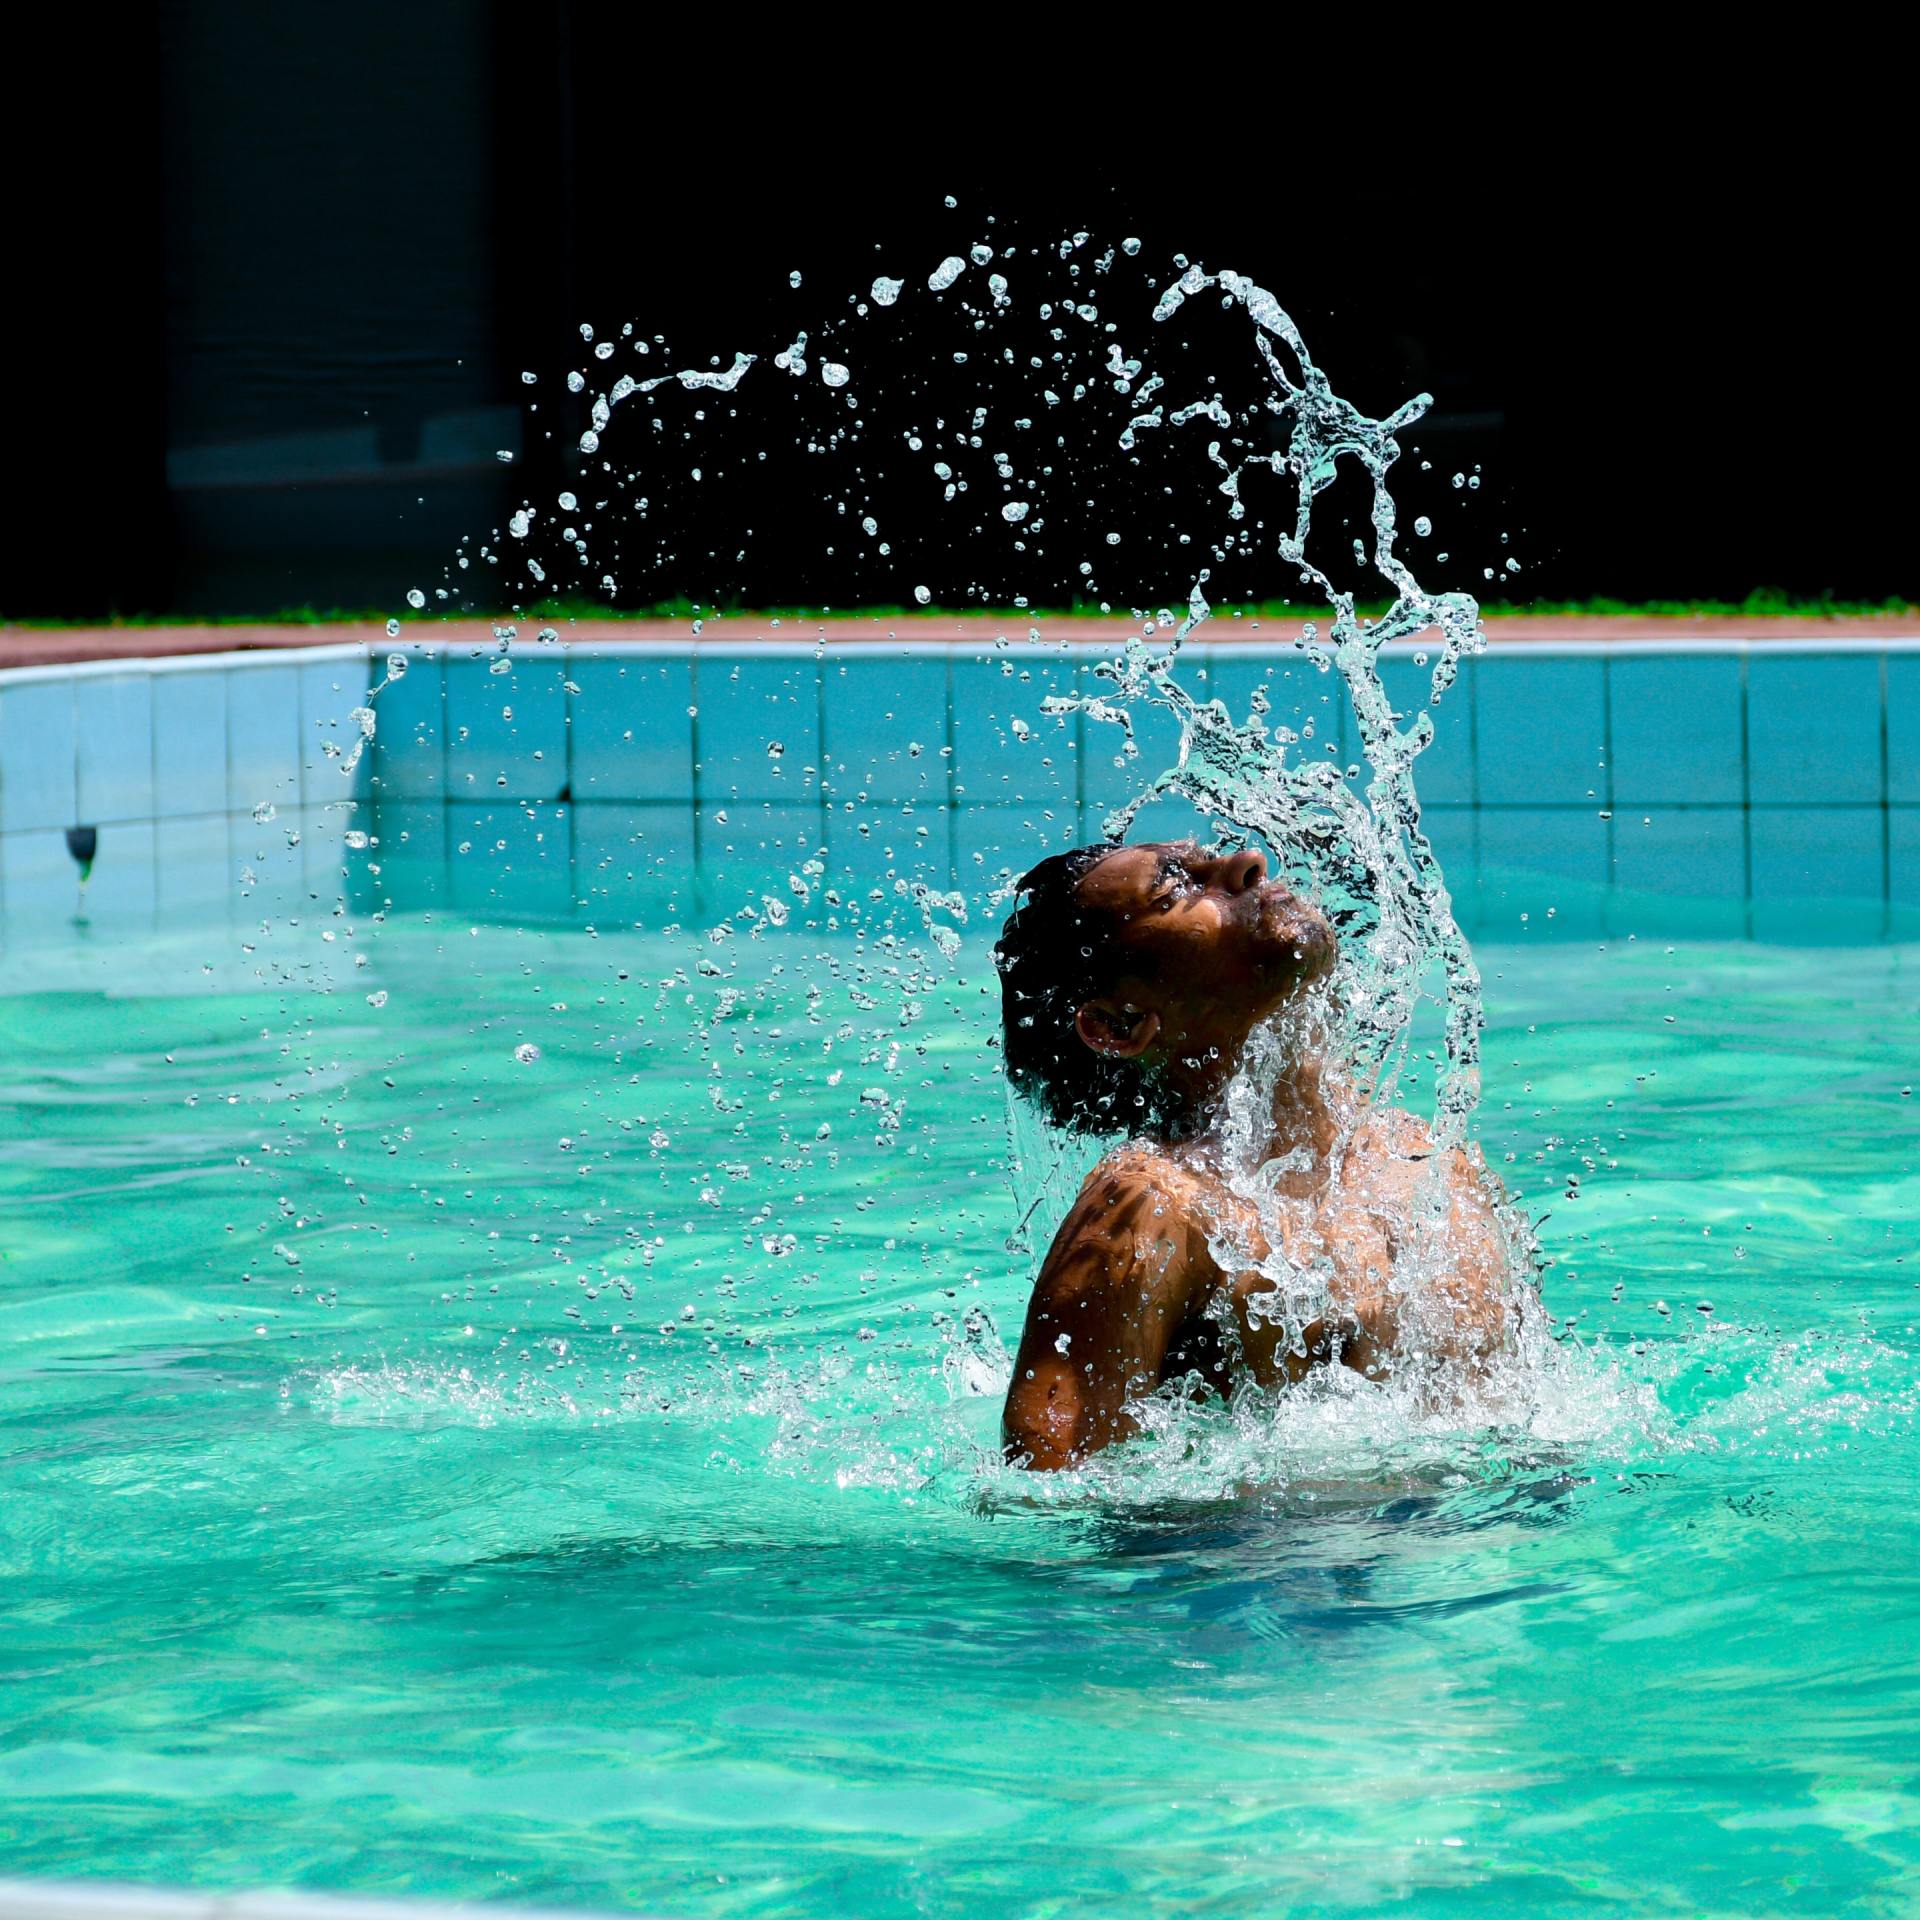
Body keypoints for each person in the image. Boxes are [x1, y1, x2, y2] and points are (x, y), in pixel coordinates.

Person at [994, 840, 1519, 1471]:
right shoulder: (1153, 1206)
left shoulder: (1431, 1163)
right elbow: (1046, 1501)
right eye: (1177, 891)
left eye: (1213, 857)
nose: (1247, 863)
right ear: (1121, 1024)